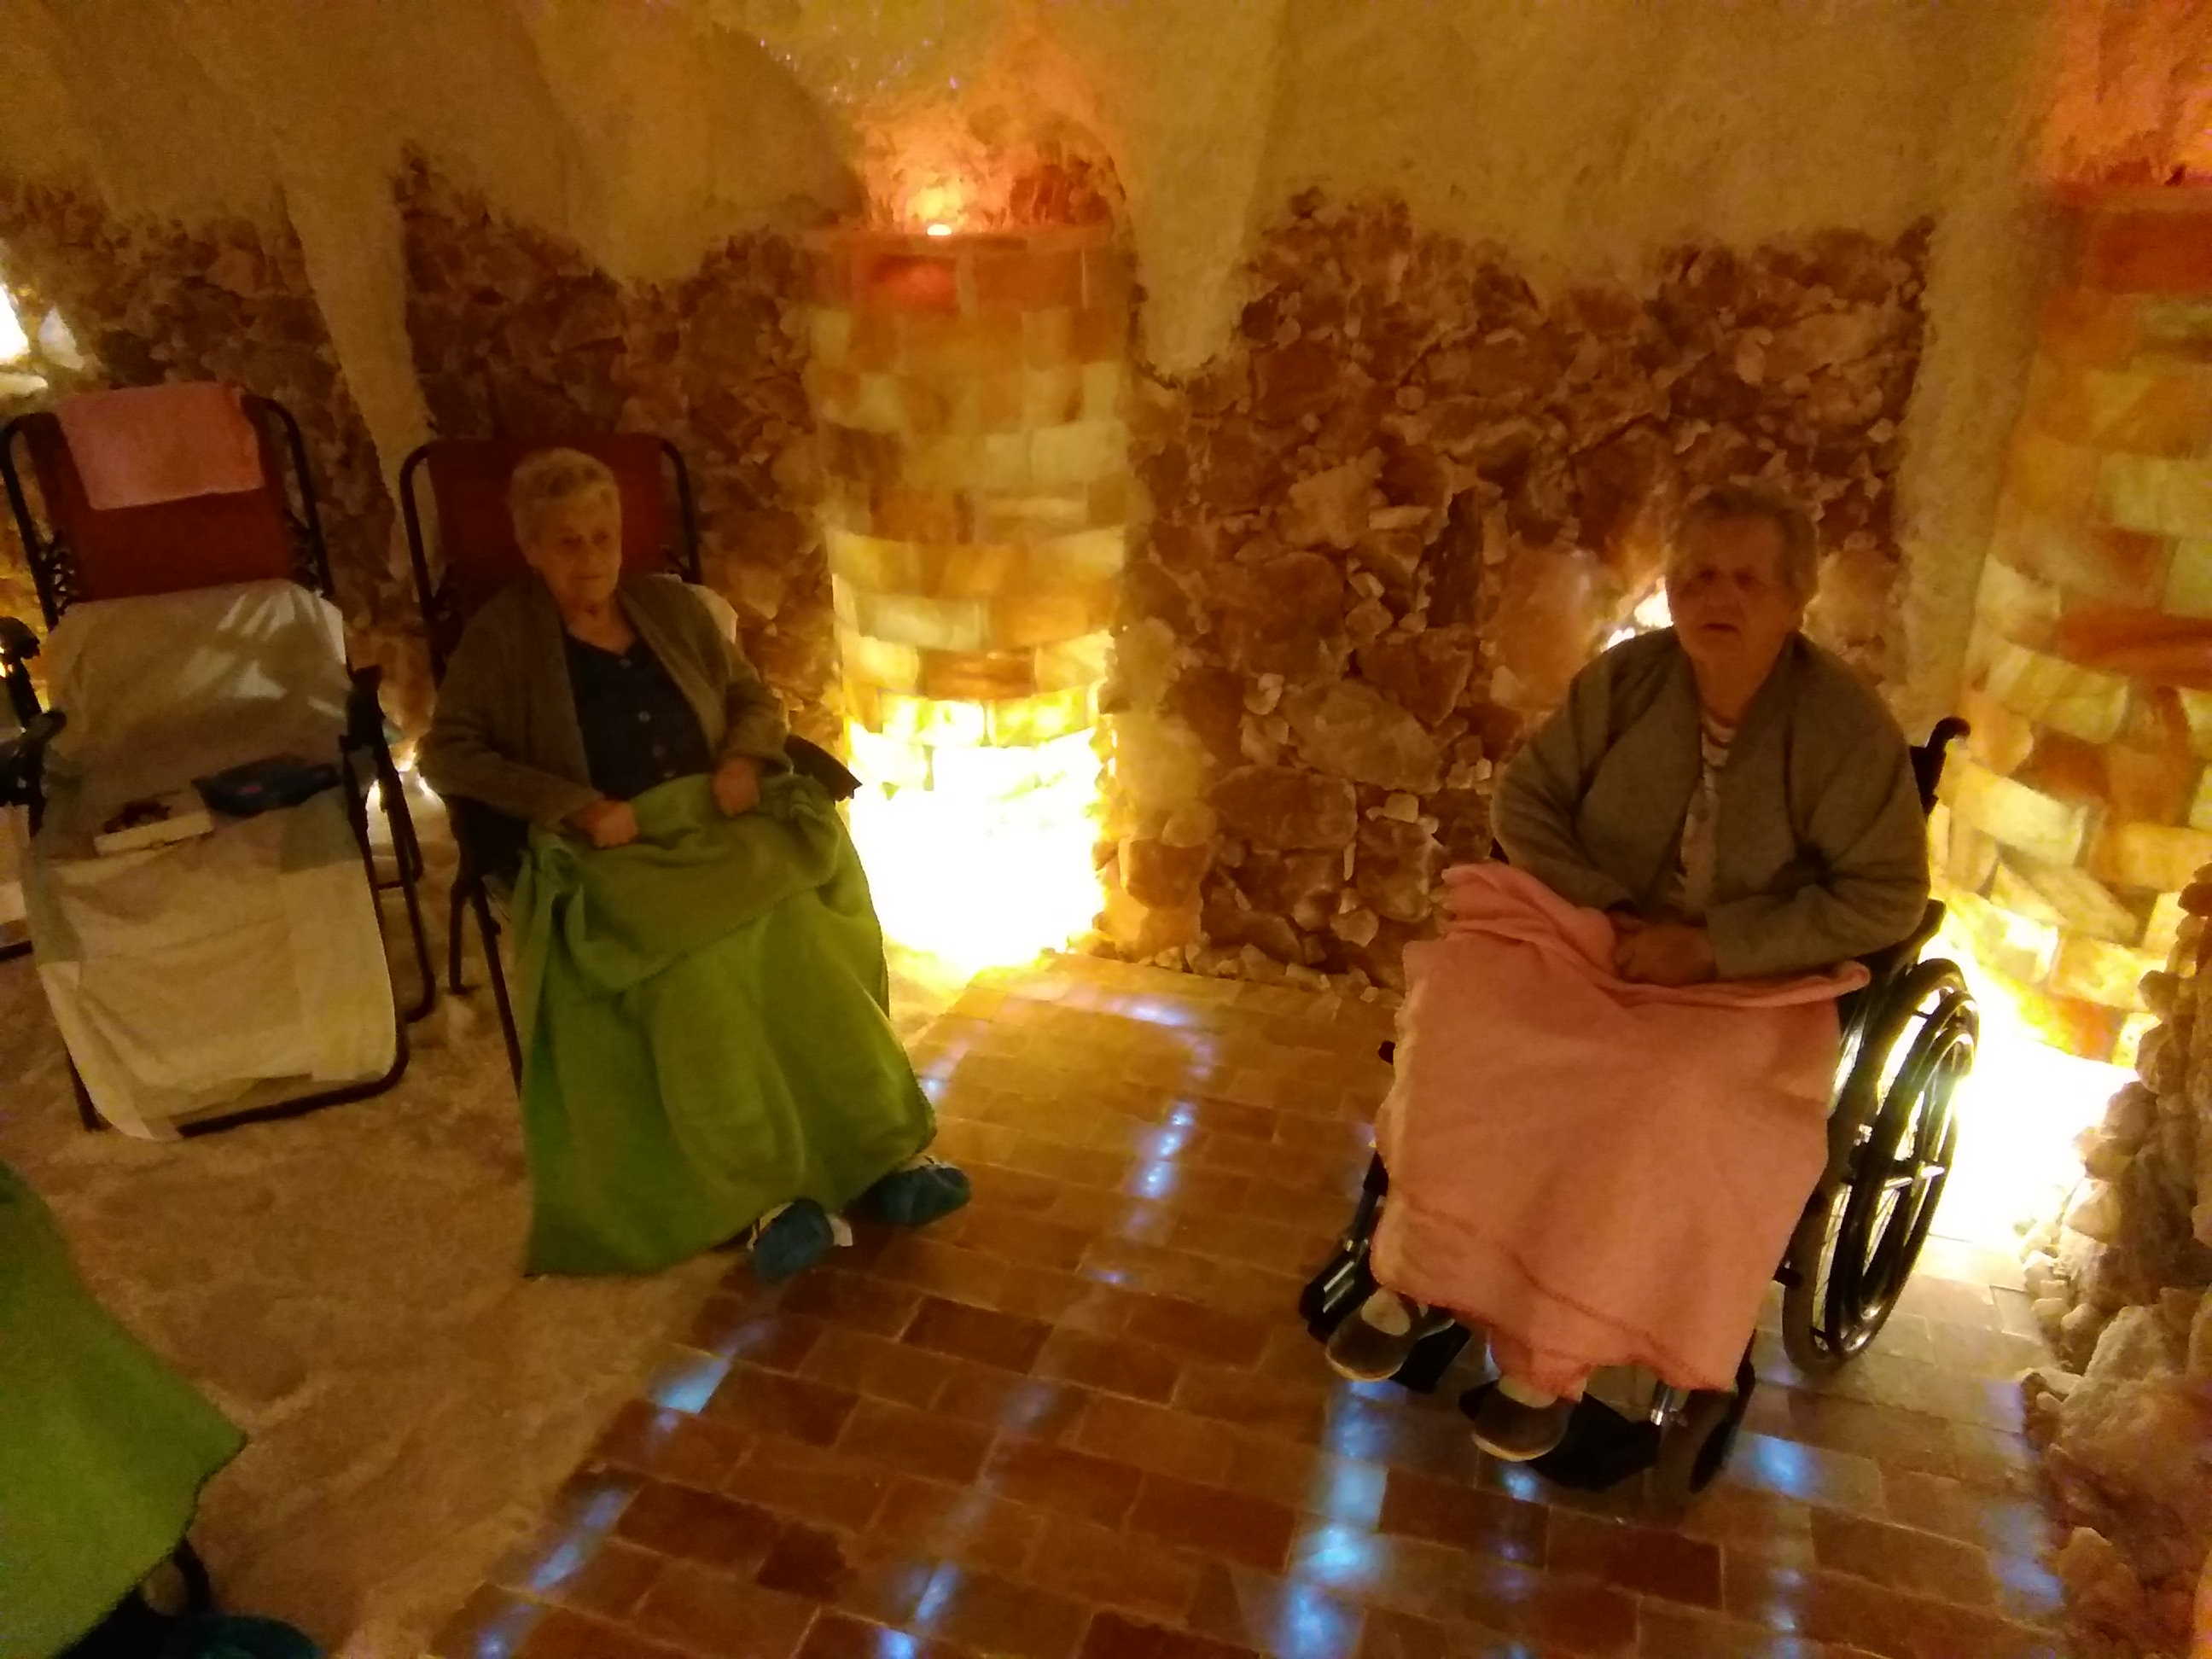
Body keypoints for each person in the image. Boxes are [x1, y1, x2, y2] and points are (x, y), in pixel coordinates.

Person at [1325, 482, 1930, 1461]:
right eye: (1697, 576)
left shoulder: (1844, 731)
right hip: (1596, 934)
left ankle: (1548, 1360)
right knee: (1467, 1025)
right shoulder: (1627, 682)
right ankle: (1417, 1280)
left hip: (1747, 981)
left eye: (1746, 579)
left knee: (1654, 1088)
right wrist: (1603, 907)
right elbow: (1527, 802)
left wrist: (1716, 945)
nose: (1717, 597)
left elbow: (1887, 899)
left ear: (1795, 597)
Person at [420, 449, 966, 1279]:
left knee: (800, 938)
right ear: (531, 549)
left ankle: (882, 1153)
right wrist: (571, 804)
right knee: (699, 969)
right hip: (619, 849)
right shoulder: (501, 639)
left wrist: (744, 758)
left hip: (715, 819)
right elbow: (449, 752)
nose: (591, 558)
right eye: (567, 542)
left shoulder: (671, 608)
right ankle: (764, 1195)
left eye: (603, 538)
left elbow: (752, 698)